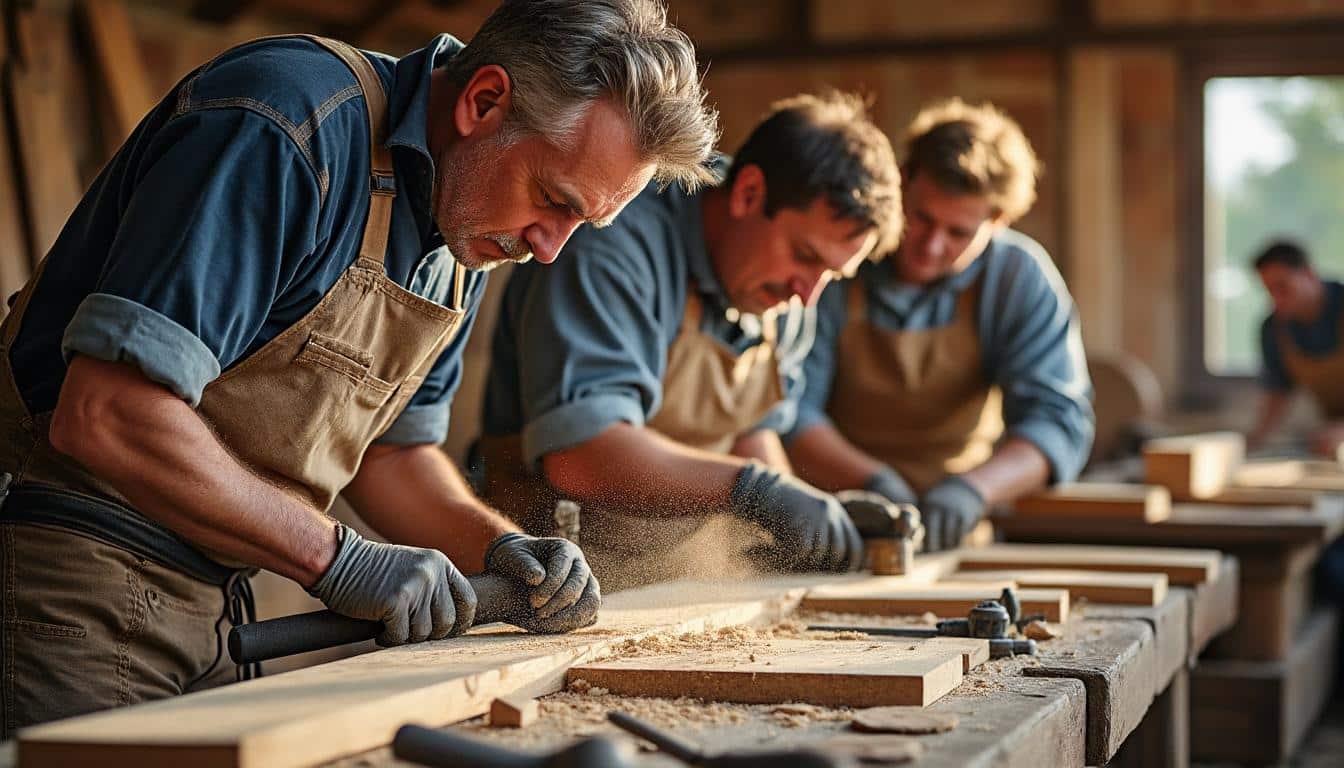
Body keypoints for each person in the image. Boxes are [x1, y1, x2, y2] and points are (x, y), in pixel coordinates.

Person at [0, 0, 718, 733]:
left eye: (582, 222)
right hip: (69, 569)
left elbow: (392, 456)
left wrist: (498, 548)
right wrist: (337, 558)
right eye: (552, 199)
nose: (549, 248)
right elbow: (108, 413)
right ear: (483, 102)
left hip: (215, 600)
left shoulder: (462, 229)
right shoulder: (286, 127)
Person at [478, 92, 902, 587]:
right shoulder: (617, 242)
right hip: (545, 575)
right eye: (805, 256)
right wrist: (757, 490)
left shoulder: (782, 294)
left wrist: (816, 519)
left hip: (680, 580)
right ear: (748, 193)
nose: (808, 295)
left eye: (832, 274)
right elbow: (580, 456)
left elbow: (749, 434)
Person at [784, 98, 1094, 551]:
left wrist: (973, 491)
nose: (930, 247)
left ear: (997, 221)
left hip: (957, 532)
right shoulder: (839, 259)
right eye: (921, 219)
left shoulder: (1016, 279)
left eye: (957, 233)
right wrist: (873, 481)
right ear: (902, 182)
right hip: (830, 523)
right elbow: (789, 409)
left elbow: (1057, 425)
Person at [1246, 240, 1344, 456]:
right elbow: (1278, 392)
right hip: (1332, 433)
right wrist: (1253, 443)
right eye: (1270, 291)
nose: (1277, 299)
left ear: (1309, 274)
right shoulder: (1275, 329)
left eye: (1283, 287)